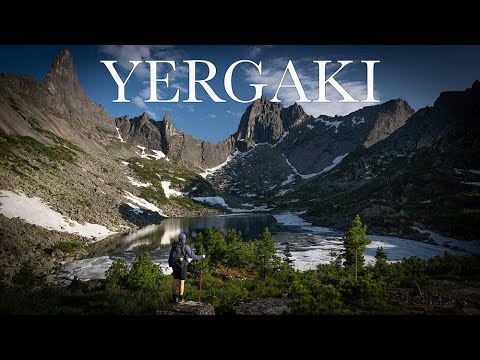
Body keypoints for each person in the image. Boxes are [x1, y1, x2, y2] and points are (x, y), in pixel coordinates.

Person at [171, 232, 205, 303]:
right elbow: (192, 256)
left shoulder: (174, 245)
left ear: (178, 238)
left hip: (175, 265)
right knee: (182, 282)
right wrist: (201, 257)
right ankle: (180, 299)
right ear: (184, 239)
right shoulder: (186, 246)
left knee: (175, 280)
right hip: (182, 266)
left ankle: (174, 298)